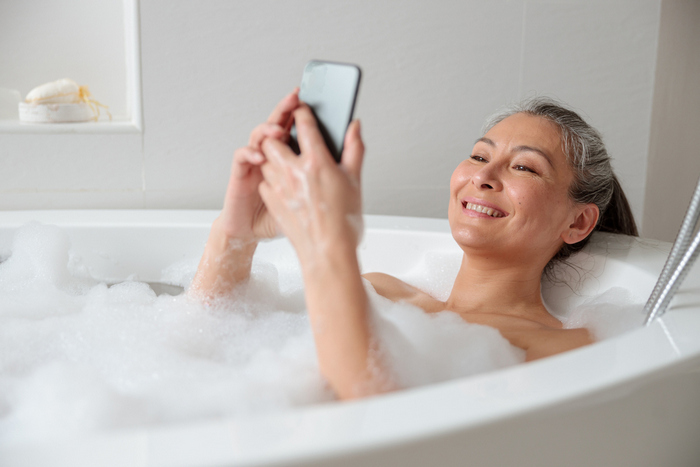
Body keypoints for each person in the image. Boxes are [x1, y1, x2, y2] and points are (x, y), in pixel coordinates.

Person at [189, 89, 638, 400]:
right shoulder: (379, 291)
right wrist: (237, 230)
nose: (483, 175)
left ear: (578, 222)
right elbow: (203, 338)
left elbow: (384, 433)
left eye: (524, 168)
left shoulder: (564, 350)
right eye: (480, 156)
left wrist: (326, 241)